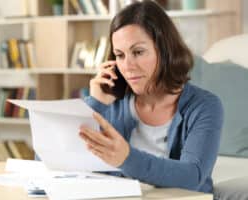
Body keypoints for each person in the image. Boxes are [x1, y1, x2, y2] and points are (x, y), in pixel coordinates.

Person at [79, 0, 223, 194]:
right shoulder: (111, 103)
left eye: (138, 52)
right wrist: (95, 104)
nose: (128, 65)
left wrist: (126, 158)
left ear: (165, 51)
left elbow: (192, 176)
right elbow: (56, 161)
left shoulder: (204, 106)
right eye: (120, 55)